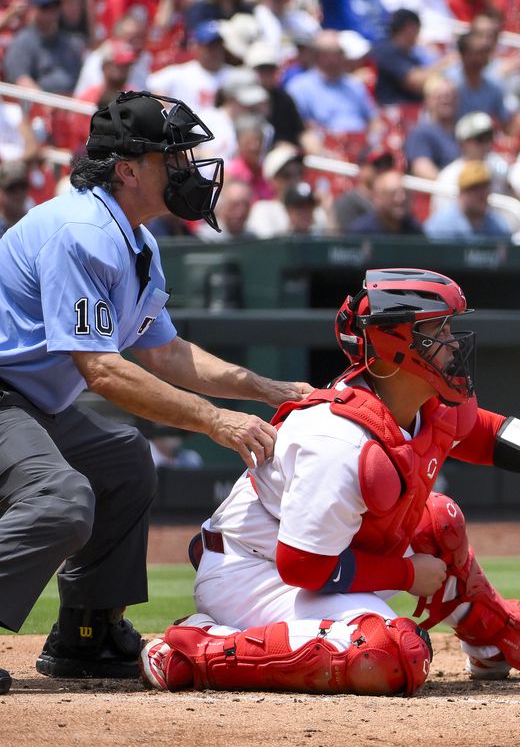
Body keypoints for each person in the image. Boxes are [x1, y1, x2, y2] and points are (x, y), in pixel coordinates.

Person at [141, 268, 520, 693]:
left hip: (312, 555)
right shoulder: (338, 439)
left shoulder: (421, 404)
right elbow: (301, 567)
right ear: (396, 345)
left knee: (441, 519)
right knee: (391, 655)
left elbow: (485, 431)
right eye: (438, 333)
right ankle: (195, 650)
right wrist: (403, 573)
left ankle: (496, 636)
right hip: (252, 574)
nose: (452, 345)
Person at [0, 91, 311, 686]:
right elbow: (104, 371)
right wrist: (214, 420)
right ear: (127, 169)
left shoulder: (135, 238)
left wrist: (262, 388)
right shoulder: (80, 231)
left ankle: (85, 635)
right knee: (61, 500)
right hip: (6, 395)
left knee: (123, 460)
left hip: (28, 401)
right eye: (174, 159)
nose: (189, 171)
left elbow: (165, 351)